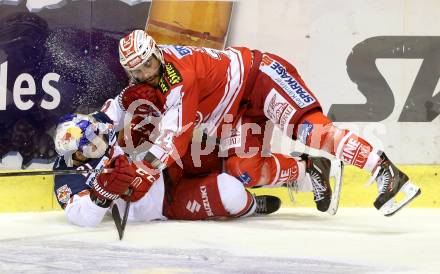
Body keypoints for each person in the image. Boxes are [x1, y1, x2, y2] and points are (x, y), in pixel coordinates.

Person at [107, 29, 421, 216]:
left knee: (309, 130)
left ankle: (385, 171)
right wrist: (100, 122)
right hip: (233, 111)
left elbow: (175, 137)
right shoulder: (151, 77)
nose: (146, 73)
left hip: (259, 77)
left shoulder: (180, 78)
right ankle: (309, 169)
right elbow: (123, 102)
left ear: (157, 54)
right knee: (243, 172)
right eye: (138, 70)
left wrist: (141, 172)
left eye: (149, 64)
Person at [52, 113, 282, 227]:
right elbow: (82, 218)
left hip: (165, 163)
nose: (100, 139)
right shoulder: (67, 178)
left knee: (233, 160)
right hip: (164, 201)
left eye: (97, 133)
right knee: (233, 193)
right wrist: (102, 194)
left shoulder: (98, 126)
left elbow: (120, 105)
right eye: (91, 142)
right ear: (77, 154)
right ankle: (250, 205)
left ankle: (288, 175)